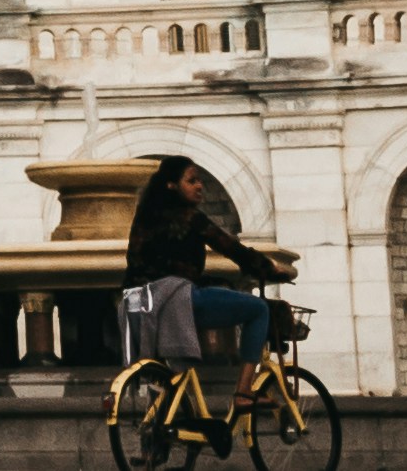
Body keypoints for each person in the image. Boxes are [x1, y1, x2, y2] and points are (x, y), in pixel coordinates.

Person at [122, 153, 288, 421]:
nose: (200, 186)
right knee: (258, 309)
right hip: (176, 300)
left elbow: (140, 263)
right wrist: (267, 268)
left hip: (141, 304)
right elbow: (230, 247)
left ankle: (157, 432)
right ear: (171, 185)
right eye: (192, 181)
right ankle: (244, 392)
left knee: (164, 375)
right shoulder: (190, 217)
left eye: (199, 180)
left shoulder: (144, 218)